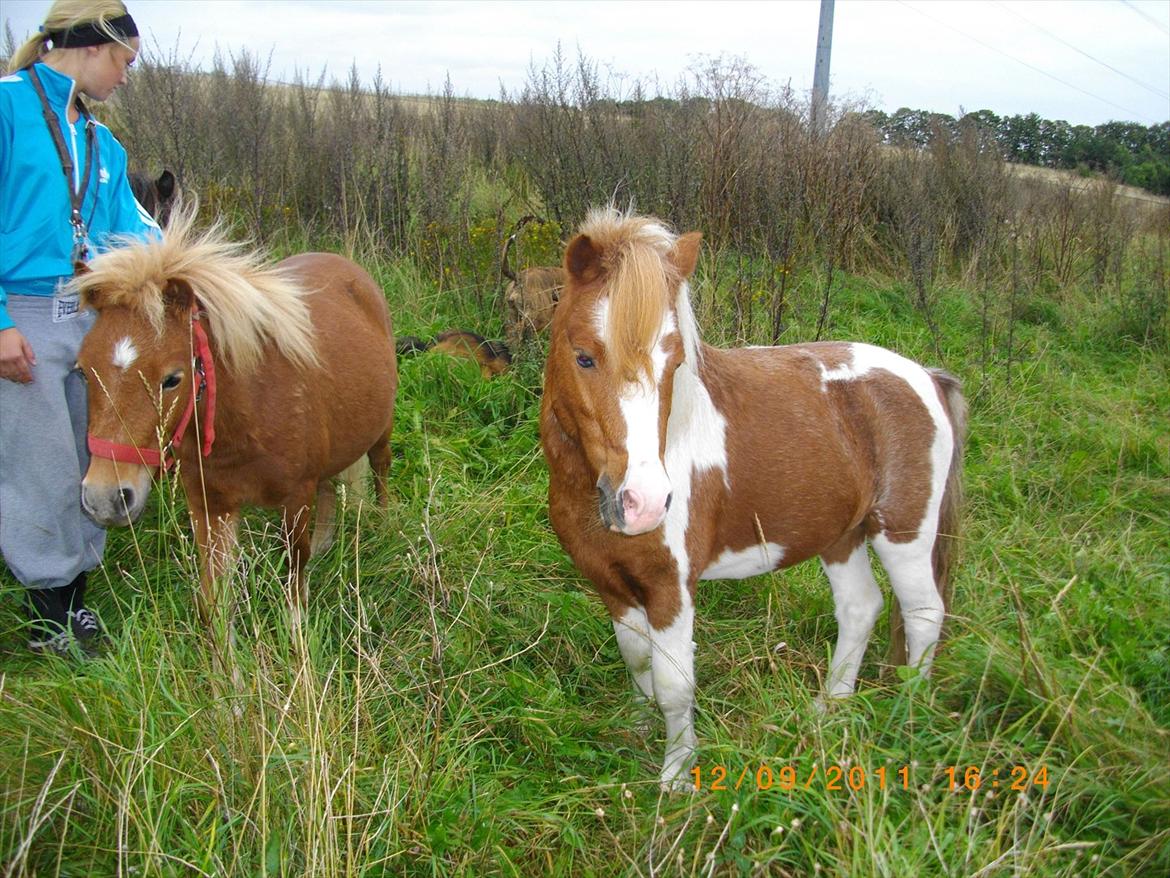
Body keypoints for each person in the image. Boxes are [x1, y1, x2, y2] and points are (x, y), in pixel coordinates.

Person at [0, 1, 160, 657]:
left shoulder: (104, 144)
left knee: (86, 454)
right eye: (124, 60)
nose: (125, 76)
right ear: (95, 44)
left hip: (89, 321)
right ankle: (48, 622)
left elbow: (139, 235)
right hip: (25, 318)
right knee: (38, 468)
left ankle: (74, 607)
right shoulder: (8, 109)